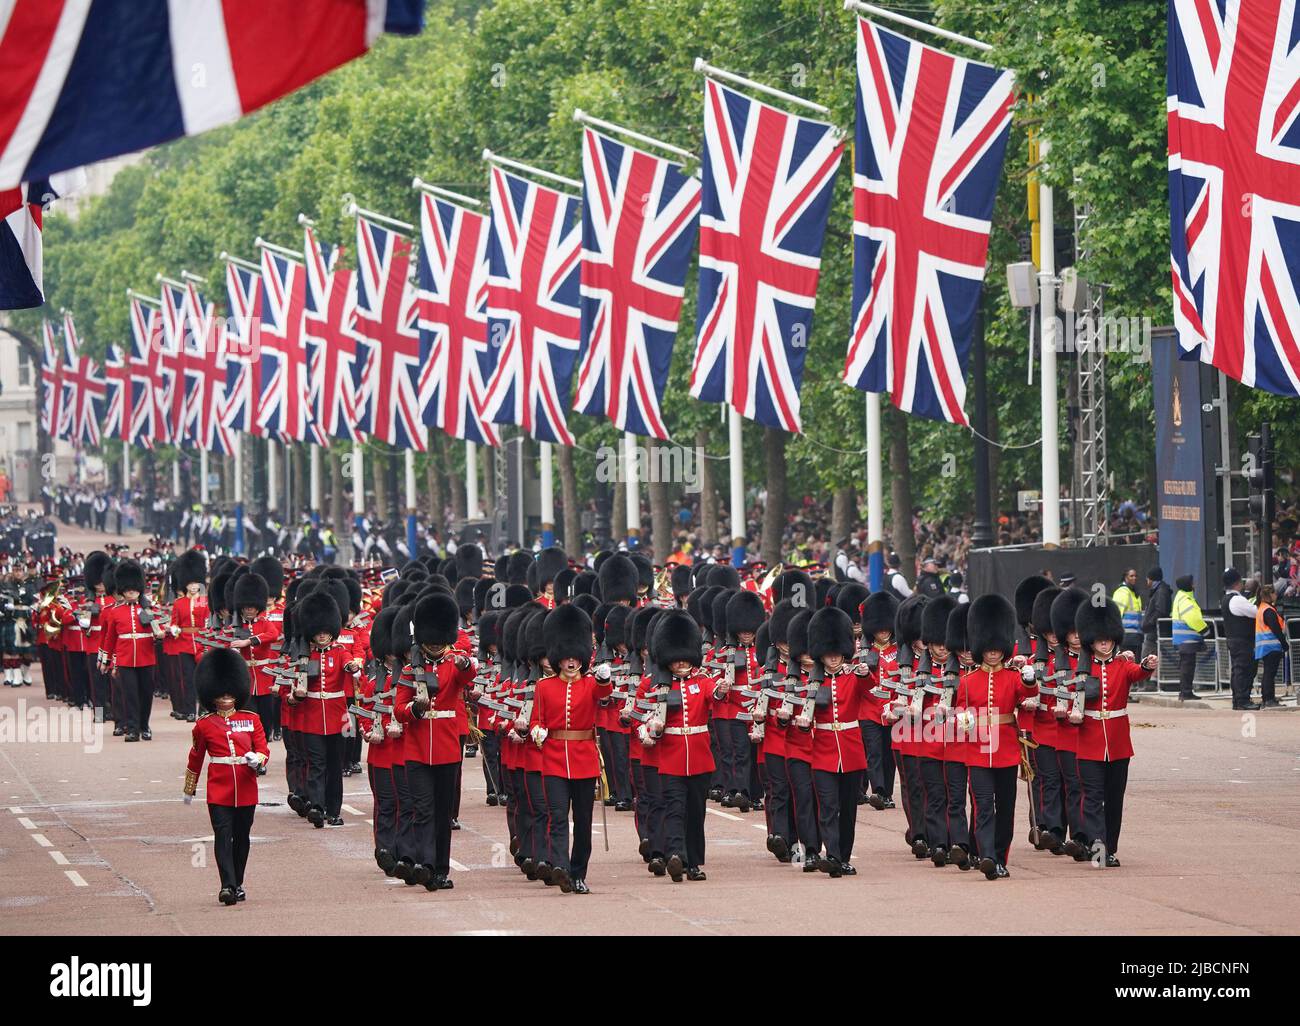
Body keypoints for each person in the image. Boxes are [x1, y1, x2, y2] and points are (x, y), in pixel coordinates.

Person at [395, 592, 477, 890]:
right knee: (423, 809)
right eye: (431, 640)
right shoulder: (408, 670)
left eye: (439, 640)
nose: (435, 645)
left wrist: (465, 663)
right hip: (417, 750)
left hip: (446, 747)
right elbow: (399, 709)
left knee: (443, 813)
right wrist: (414, 709)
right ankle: (424, 864)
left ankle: (440, 869)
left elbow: (469, 675)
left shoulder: (453, 664)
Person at [528, 604, 612, 894]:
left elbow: (604, 692)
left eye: (576, 657)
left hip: (584, 758)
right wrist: (537, 729)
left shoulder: (591, 684)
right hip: (553, 758)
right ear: (557, 657)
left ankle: (578, 872)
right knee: (558, 816)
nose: (571, 661)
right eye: (566, 657)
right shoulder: (544, 686)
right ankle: (561, 866)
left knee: (584, 821)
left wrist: (604, 677)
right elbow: (536, 719)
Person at [954, 593, 1035, 879]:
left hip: (1006, 751)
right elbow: (961, 710)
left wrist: (1028, 677)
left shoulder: (1013, 677)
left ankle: (1001, 857)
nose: (992, 653)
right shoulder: (967, 680)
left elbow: (1028, 694)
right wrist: (966, 727)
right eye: (987, 648)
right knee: (983, 806)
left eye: (996, 648)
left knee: (1006, 809)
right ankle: (987, 856)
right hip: (977, 751)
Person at [643, 609, 727, 883]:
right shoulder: (655, 685)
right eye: (675, 658)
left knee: (695, 812)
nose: (680, 663)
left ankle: (693, 863)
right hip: (671, 756)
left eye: (684, 658)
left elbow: (713, 694)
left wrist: (722, 688)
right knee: (674, 809)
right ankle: (677, 856)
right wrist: (649, 727)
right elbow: (638, 715)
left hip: (700, 758)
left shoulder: (701, 682)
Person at [1073, 597, 1157, 866]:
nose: (1104, 643)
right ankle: (1097, 846)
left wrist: (1147, 665)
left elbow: (1137, 673)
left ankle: (1109, 848)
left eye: (1108, 639)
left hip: (1118, 743)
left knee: (1114, 798)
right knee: (1093, 797)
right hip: (1089, 741)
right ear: (1091, 642)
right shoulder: (1080, 669)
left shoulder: (1121, 664)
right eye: (1099, 640)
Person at [183, 647, 269, 905]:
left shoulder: (251, 719)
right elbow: (196, 756)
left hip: (245, 787)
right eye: (220, 694)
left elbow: (263, 748)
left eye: (230, 693)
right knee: (222, 835)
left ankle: (238, 881)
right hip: (219, 789)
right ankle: (227, 886)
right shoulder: (204, 724)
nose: (225, 698)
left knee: (242, 838)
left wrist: (258, 760)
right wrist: (190, 787)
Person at [804, 606, 868, 877]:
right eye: (829, 653)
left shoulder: (854, 676)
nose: (833, 657)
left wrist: (865, 673)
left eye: (837, 652)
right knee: (828, 807)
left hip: (851, 751)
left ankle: (842, 856)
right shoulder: (812, 682)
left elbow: (868, 689)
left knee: (848, 810)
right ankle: (831, 854)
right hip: (824, 751)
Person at [97, 560, 164, 742]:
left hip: (146, 657)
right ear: (123, 591)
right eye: (127, 590)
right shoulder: (115, 612)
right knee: (130, 694)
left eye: (134, 589)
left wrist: (160, 634)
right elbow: (110, 639)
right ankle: (133, 729)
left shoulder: (149, 609)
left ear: (139, 589)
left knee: (146, 694)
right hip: (126, 659)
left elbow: (161, 629)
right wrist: (106, 661)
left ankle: (144, 726)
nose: (131, 592)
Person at [1222, 569, 1260, 710]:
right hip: (1242, 640)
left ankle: (1238, 701)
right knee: (1244, 670)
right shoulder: (1237, 599)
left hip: (1234, 639)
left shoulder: (1226, 598)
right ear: (1238, 583)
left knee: (1238, 670)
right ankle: (1243, 700)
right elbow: (1256, 612)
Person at [1171, 575, 1209, 701]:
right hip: (1187, 639)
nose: (1194, 585)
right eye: (1192, 583)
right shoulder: (1186, 599)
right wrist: (1204, 629)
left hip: (1183, 639)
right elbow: (1192, 618)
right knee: (1188, 666)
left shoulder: (1181, 597)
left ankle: (1185, 691)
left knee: (1186, 666)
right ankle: (1186, 692)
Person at [1254, 584, 1286, 708]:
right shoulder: (1268, 610)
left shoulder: (1261, 608)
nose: (1276, 595)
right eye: (1275, 593)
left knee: (1268, 673)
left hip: (1265, 646)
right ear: (1270, 595)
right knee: (1269, 673)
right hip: (1271, 646)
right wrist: (1284, 643)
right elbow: (1276, 629)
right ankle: (1269, 699)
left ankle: (1267, 698)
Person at [1140, 566, 1172, 663]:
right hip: (1154, 629)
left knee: (1146, 657)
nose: (1147, 580)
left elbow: (1160, 611)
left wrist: (1149, 623)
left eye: (1148, 578)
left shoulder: (1160, 592)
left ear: (1152, 579)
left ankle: (1145, 677)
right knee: (1152, 657)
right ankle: (1150, 677)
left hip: (1153, 630)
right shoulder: (1158, 591)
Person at [1112, 568, 1144, 655]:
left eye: (1135, 576)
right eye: (1131, 576)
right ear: (1125, 577)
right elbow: (1116, 614)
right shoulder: (1122, 592)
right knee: (1127, 664)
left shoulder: (1134, 593)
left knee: (1135, 665)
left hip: (1136, 636)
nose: (1134, 578)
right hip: (1126, 637)